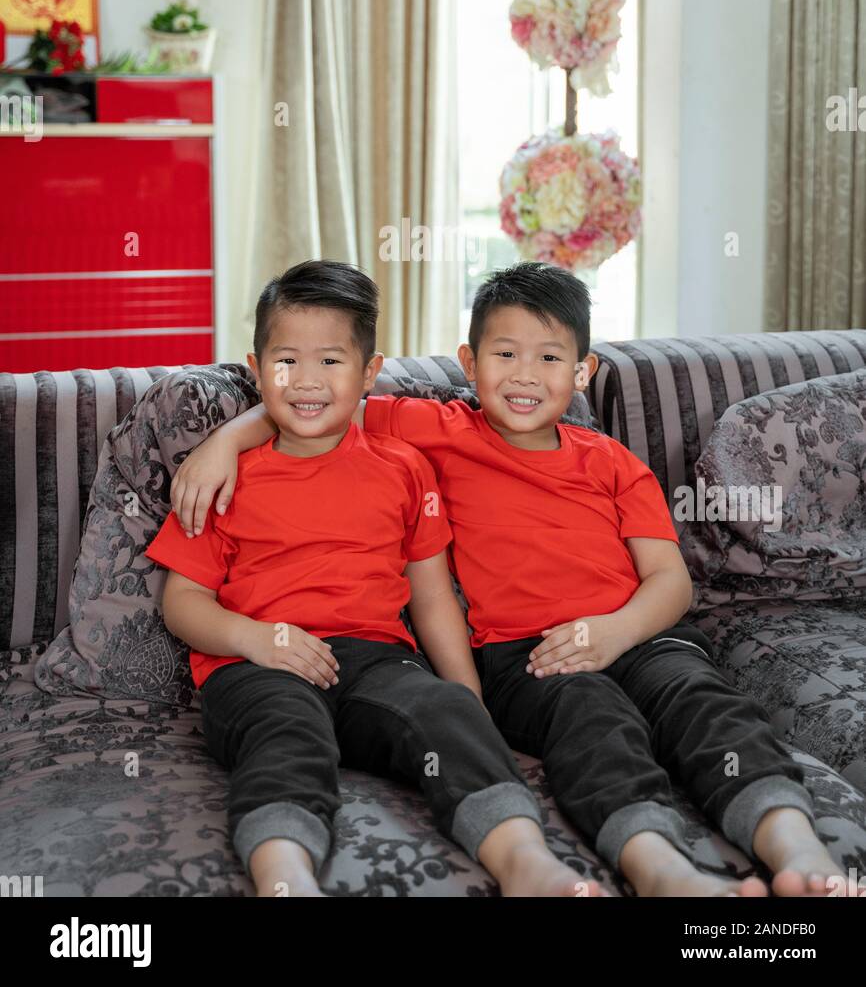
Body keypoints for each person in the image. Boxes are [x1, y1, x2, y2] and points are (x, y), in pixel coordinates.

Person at [171, 261, 858, 897]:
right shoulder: (428, 431)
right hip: (514, 654)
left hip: (630, 636)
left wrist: (602, 636)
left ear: (583, 371)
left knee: (704, 701)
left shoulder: (611, 463)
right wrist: (223, 441)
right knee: (590, 712)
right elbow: (320, 400)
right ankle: (658, 868)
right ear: (469, 363)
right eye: (505, 355)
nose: (524, 376)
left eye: (549, 358)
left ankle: (795, 849)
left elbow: (667, 584)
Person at [146, 260, 598, 898]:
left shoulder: (404, 467)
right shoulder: (228, 477)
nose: (307, 382)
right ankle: (286, 877)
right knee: (286, 732)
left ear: (368, 372)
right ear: (256, 369)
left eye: (331, 362)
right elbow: (182, 602)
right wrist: (256, 639)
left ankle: (526, 862)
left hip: (375, 663)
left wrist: (469, 698)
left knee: (444, 713)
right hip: (255, 663)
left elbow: (433, 596)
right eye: (286, 361)